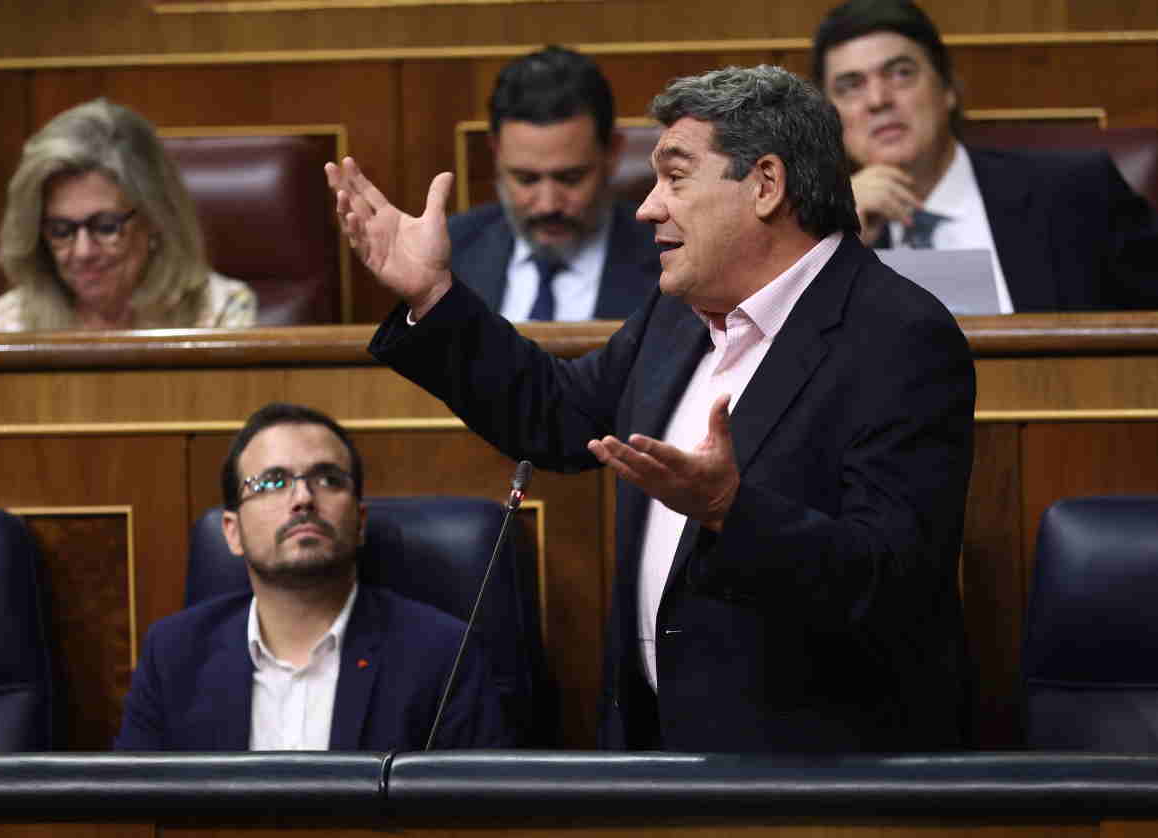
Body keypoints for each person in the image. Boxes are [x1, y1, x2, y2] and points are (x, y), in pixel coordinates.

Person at [328, 64, 976, 752]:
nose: (647, 206)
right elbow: (554, 417)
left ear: (766, 184)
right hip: (657, 759)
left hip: (816, 779)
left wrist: (732, 509)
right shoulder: (678, 316)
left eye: (675, 176)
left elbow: (892, 581)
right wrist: (433, 296)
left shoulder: (899, 336)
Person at [114, 402, 511, 750]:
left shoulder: (442, 655)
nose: (303, 498)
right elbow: (134, 817)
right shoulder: (174, 656)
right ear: (232, 532)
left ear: (360, 521)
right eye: (272, 482)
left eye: (328, 479)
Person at [812, 0, 1158, 312]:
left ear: (947, 89)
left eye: (901, 73)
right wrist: (839, 241)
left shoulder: (1077, 193)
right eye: (851, 86)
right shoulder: (818, 237)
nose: (878, 100)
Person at [0, 98, 256, 331]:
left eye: (106, 227)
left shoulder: (222, 313)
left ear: (155, 218)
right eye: (60, 230)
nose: (83, 252)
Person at [450, 45, 660, 321]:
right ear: (496, 152)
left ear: (612, 153)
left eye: (571, 178)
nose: (548, 204)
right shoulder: (451, 251)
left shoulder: (668, 264)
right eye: (526, 179)